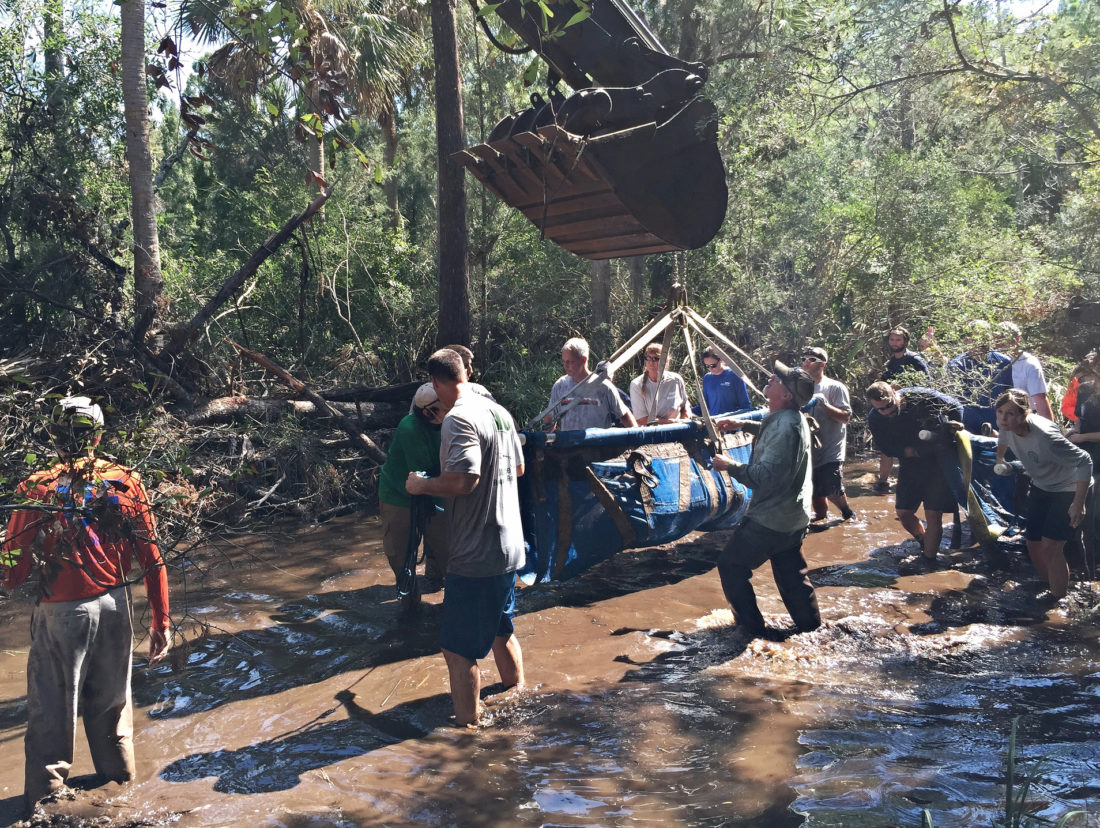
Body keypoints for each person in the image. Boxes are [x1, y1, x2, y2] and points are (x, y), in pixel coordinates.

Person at [2, 397, 171, 812]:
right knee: (113, 706)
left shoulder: (37, 488)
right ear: (97, 436)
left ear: (54, 438)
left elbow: (12, 569)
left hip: (62, 614)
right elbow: (153, 556)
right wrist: (161, 620)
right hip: (115, 604)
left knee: (52, 710)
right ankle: (121, 789)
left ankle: (46, 803)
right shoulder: (125, 480)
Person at [405, 349, 525, 726]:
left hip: (477, 552)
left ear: (437, 383)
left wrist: (421, 485)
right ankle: (517, 693)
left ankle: (468, 734)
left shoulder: (457, 418)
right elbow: (519, 468)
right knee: (500, 628)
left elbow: (463, 480)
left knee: (456, 651)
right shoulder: (498, 412)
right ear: (467, 373)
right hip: (509, 546)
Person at [711, 362, 820, 637]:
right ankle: (811, 629)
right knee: (792, 575)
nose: (771, 378)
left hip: (770, 518)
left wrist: (729, 466)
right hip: (792, 516)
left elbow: (764, 476)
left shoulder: (785, 426)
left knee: (731, 566)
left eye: (778, 379)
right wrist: (744, 424)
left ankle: (751, 630)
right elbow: (774, 429)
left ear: (786, 396)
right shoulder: (792, 417)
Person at [994, 389, 1092, 598]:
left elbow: (1085, 461)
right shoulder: (1005, 425)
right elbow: (1003, 438)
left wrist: (1078, 502)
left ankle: (1057, 600)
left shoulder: (1046, 437)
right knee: (1033, 543)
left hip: (1069, 487)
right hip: (1041, 485)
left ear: (1023, 415)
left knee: (1051, 546)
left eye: (1010, 414)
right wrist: (999, 459)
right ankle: (1047, 585)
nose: (1003, 418)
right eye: (1000, 412)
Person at [865, 382, 964, 561]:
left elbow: (956, 406)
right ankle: (924, 540)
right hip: (910, 464)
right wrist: (909, 451)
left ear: (895, 393)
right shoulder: (876, 418)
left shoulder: (921, 397)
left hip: (938, 462)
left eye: (889, 406)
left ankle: (928, 561)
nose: (887, 412)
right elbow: (886, 448)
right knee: (904, 512)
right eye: (880, 410)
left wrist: (953, 432)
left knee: (933, 515)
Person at [378, 383, 452, 612]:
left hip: (436, 490)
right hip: (399, 496)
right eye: (444, 407)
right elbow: (422, 475)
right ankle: (411, 608)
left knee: (449, 549)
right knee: (400, 555)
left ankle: (456, 601)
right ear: (428, 411)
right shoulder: (410, 428)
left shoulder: (450, 423)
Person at [800, 347, 855, 525]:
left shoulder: (834, 387)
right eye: (804, 359)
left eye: (811, 359)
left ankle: (848, 514)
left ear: (822, 364)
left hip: (831, 446)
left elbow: (846, 416)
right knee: (814, 489)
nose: (806, 362)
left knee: (832, 489)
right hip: (808, 447)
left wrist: (823, 404)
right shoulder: (800, 386)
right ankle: (821, 520)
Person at [545, 337, 637, 430]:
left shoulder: (604, 387)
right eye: (564, 361)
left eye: (570, 361)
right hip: (569, 444)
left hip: (599, 443)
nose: (565, 366)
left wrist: (637, 438)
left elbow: (625, 416)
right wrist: (544, 439)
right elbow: (550, 418)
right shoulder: (560, 386)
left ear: (583, 360)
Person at [946, 320, 1011, 434]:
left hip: (1001, 426)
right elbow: (960, 403)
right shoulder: (957, 366)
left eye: (985, 337)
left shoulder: (1003, 362)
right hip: (970, 429)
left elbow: (1010, 395)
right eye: (976, 337)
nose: (982, 342)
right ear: (967, 339)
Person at [1067, 353, 1100, 566]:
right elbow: (1079, 420)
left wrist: (1083, 437)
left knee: (1095, 512)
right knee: (1078, 505)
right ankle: (1077, 562)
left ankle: (1095, 564)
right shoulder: (1084, 389)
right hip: (1084, 454)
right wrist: (1070, 435)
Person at [995, 322, 1055, 420]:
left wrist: (1050, 429)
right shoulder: (992, 363)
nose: (1000, 344)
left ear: (1017, 339)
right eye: (997, 340)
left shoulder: (1029, 364)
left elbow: (1040, 398)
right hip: (999, 418)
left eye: (1005, 339)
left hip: (1024, 418)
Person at [629, 343, 691, 425]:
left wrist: (685, 420)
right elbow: (641, 420)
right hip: (653, 432)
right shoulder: (636, 384)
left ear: (666, 360)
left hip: (679, 430)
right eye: (648, 358)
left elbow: (685, 405)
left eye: (656, 359)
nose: (651, 362)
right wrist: (672, 422)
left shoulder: (676, 380)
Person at [692, 346, 751, 416]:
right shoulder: (707, 378)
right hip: (713, 423)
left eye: (713, 365)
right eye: (707, 366)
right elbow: (705, 406)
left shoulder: (735, 375)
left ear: (721, 360)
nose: (710, 369)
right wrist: (687, 411)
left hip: (731, 422)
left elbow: (745, 405)